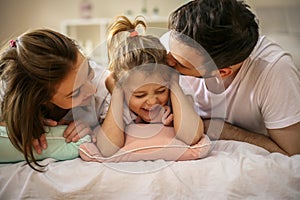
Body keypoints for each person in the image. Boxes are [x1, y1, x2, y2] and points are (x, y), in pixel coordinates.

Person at [166, 0, 300, 155]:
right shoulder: (177, 44)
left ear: (222, 73)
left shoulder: (275, 71)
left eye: (181, 64)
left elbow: (291, 151)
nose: (167, 61)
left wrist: (219, 128)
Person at [0, 29, 111, 170]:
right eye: (75, 93)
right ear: (41, 99)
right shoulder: (8, 91)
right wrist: (23, 122)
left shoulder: (104, 85)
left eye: (89, 71)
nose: (92, 89)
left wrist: (95, 130)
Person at [95, 15, 204, 157]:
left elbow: (192, 137)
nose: (152, 101)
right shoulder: (119, 104)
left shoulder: (177, 94)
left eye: (160, 90)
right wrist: (116, 93)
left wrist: (174, 84)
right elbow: (107, 149)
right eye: (140, 95)